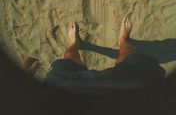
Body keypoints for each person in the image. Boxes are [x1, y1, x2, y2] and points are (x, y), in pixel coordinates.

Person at [21, 15, 165, 93]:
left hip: (64, 87)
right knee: (130, 57)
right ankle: (123, 40)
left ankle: (74, 44)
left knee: (69, 56)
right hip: (123, 90)